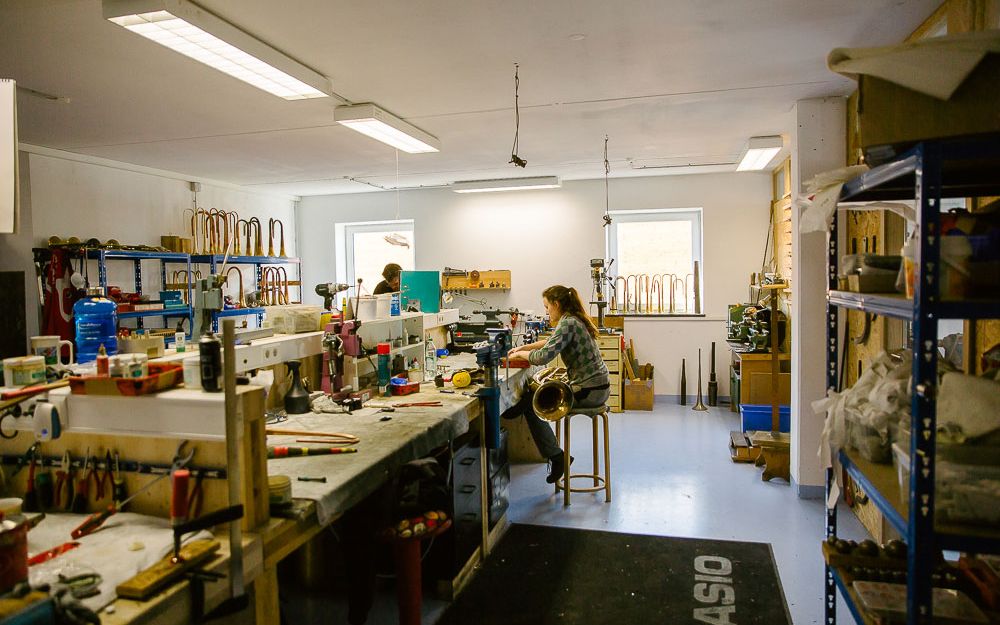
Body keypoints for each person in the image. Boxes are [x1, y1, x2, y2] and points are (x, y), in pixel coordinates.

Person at [506, 285, 610, 484]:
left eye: (547, 307)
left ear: (556, 304)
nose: (546, 311)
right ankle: (555, 454)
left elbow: (544, 355)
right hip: (597, 387)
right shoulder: (572, 319)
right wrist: (523, 347)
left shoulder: (568, 323)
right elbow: (551, 342)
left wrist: (520, 355)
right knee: (533, 394)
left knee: (532, 404)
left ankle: (556, 457)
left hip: (590, 391)